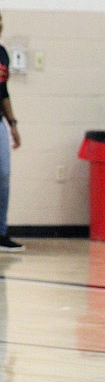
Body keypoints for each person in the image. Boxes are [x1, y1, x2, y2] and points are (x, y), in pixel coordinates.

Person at [0, 13, 23, 253]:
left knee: (4, 175)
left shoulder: (2, 53)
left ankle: (1, 232)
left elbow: (3, 91)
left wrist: (13, 123)